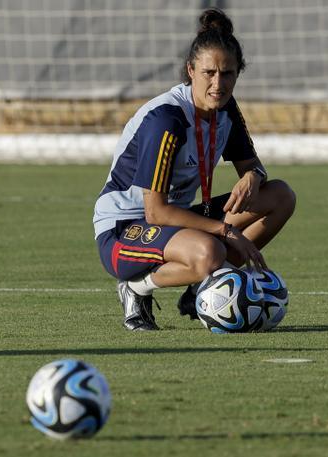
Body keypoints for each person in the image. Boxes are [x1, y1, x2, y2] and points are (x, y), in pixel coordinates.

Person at [92, 8, 296, 331]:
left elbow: (253, 168)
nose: (218, 83)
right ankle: (135, 288)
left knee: (281, 196)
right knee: (210, 251)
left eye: (227, 73)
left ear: (238, 74)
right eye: (209, 73)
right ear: (191, 70)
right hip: (123, 230)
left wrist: (253, 177)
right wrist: (226, 230)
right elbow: (156, 212)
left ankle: (199, 290)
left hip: (176, 218)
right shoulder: (167, 120)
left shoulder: (225, 109)